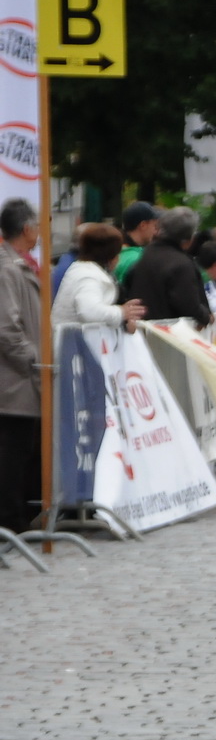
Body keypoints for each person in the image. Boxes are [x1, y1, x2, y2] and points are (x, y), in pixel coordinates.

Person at [0, 198, 40, 534]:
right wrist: (33, 359)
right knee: (12, 454)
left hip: (20, 379)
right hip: (13, 381)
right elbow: (6, 327)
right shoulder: (8, 267)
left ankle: (16, 519)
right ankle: (10, 522)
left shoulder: (17, 265)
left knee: (21, 451)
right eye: (37, 224)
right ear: (26, 229)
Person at [120, 206, 210, 327]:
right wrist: (206, 316)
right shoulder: (181, 264)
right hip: (170, 335)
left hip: (142, 331)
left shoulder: (147, 254)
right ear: (189, 239)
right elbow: (188, 304)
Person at [52, 224, 148, 331]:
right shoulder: (88, 277)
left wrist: (123, 315)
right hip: (74, 343)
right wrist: (121, 312)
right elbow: (89, 311)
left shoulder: (81, 269)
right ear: (112, 257)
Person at [112, 202, 158, 284]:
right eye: (154, 225)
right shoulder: (136, 259)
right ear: (143, 225)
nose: (155, 231)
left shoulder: (115, 251)